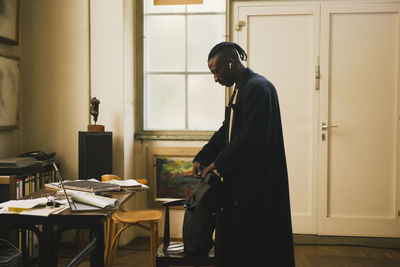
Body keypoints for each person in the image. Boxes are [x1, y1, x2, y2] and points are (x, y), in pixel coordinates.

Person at [193, 42, 295, 267]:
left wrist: (217, 164)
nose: (215, 79)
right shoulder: (241, 88)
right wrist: (202, 157)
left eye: (216, 71)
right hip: (243, 183)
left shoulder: (258, 87)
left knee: (257, 248)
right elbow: (226, 130)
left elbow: (251, 139)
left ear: (230, 63)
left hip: (257, 184)